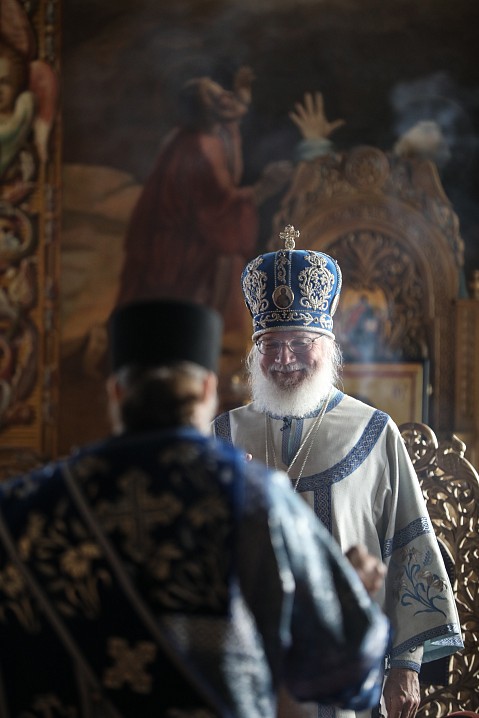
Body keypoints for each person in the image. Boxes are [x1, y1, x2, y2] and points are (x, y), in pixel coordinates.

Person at [0, 297, 389, 717]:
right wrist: (347, 592)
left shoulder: (23, 506)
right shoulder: (256, 501)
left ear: (116, 392)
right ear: (207, 389)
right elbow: (344, 673)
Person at [212, 226, 464, 718]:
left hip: (348, 669)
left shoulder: (374, 431)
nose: (283, 359)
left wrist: (405, 664)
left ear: (327, 344)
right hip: (249, 668)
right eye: (270, 344)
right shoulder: (224, 434)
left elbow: (408, 543)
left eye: (299, 342)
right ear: (255, 351)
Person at [117, 66, 292, 333]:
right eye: (217, 95)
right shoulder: (200, 148)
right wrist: (265, 187)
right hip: (181, 248)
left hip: (189, 236)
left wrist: (242, 98)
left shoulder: (204, 134)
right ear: (207, 110)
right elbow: (219, 208)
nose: (226, 96)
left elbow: (231, 116)